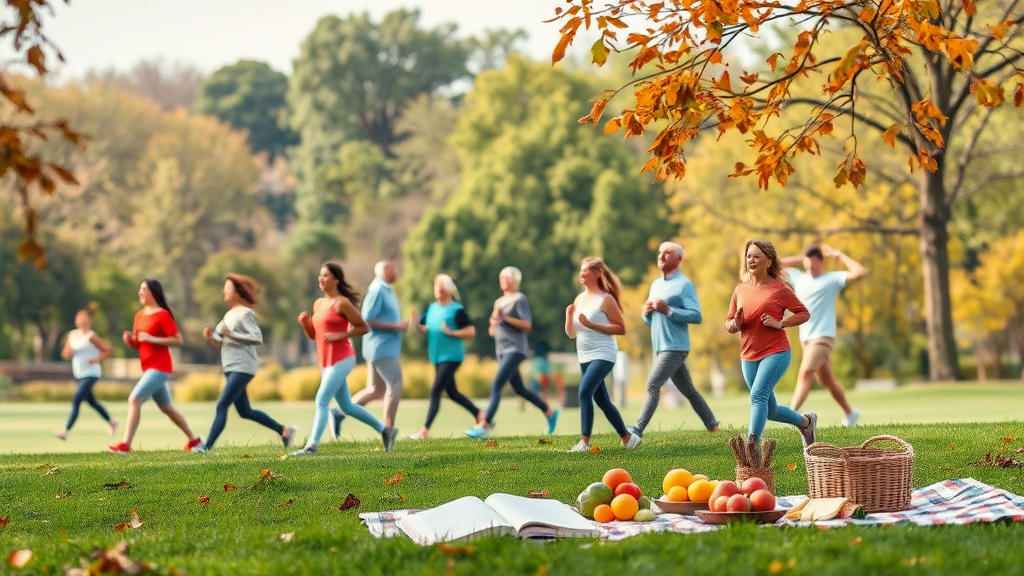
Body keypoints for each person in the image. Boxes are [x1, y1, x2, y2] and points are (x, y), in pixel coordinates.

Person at [725, 239, 817, 461]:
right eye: (749, 256)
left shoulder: (780, 289)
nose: (751, 260)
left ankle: (752, 446)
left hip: (776, 352)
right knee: (771, 410)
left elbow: (804, 313)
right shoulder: (740, 290)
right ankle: (806, 423)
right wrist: (736, 323)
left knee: (758, 395)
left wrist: (781, 323)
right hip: (748, 356)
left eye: (756, 256)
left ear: (768, 261)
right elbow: (728, 324)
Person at [291, 263, 397, 455]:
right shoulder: (318, 304)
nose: (320, 279)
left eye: (325, 275)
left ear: (336, 280)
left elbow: (364, 327)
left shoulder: (342, 303)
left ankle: (312, 446)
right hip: (326, 362)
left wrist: (341, 335)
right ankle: (385, 430)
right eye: (320, 275)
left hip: (343, 358)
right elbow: (314, 335)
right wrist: (306, 324)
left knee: (321, 400)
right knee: (347, 406)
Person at [193, 274, 296, 453]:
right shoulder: (228, 315)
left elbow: (257, 338)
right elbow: (222, 341)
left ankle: (206, 447)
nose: (224, 291)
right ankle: (284, 431)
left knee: (222, 405)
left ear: (238, 292)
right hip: (230, 367)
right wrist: (211, 337)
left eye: (228, 288)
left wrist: (232, 334)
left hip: (243, 366)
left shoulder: (246, 313)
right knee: (245, 411)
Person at [628, 242, 719, 441]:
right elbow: (653, 321)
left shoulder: (684, 285)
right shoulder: (655, 285)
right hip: (661, 347)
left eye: (667, 253)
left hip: (675, 347)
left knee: (653, 384)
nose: (661, 256)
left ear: (679, 259)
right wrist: (646, 314)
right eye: (660, 252)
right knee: (688, 390)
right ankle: (713, 426)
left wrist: (669, 310)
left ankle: (637, 429)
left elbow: (696, 315)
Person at [109, 279, 201, 453]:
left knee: (134, 399)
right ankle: (194, 440)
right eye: (139, 289)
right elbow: (138, 342)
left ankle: (125, 444)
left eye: (144, 289)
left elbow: (177, 340)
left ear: (153, 292)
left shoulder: (163, 315)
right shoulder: (139, 316)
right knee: (167, 408)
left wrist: (152, 338)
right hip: (147, 369)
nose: (140, 292)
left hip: (160, 368)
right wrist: (130, 341)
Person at [467, 267, 559, 439]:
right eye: (501, 277)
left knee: (497, 384)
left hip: (515, 349)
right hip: (501, 350)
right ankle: (549, 411)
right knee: (520, 389)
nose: (502, 279)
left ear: (515, 280)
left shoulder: (519, 299)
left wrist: (505, 317)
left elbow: (527, 325)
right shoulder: (498, 301)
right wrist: (494, 321)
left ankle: (484, 424)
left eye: (506, 277)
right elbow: (492, 331)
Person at [780, 245, 868, 426]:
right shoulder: (799, 278)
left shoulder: (832, 279)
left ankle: (791, 415)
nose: (809, 269)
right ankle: (850, 413)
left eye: (813, 265)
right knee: (827, 380)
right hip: (806, 339)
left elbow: (860, 272)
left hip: (823, 337)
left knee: (805, 372)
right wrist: (802, 258)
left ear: (821, 262)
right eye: (807, 266)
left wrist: (840, 255)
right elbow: (776, 265)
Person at [565, 257, 641, 452]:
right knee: (602, 400)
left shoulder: (606, 299)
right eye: (580, 270)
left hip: (603, 353)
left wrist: (592, 325)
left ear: (597, 274)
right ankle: (627, 438)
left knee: (584, 391)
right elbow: (572, 334)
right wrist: (568, 317)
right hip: (584, 355)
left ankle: (584, 442)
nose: (581, 273)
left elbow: (621, 328)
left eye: (585, 270)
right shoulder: (579, 299)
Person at [334, 259, 406, 438]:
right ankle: (388, 429)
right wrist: (395, 326)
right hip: (382, 348)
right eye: (394, 268)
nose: (397, 271)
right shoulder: (378, 290)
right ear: (384, 271)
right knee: (395, 384)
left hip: (382, 348)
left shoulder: (386, 290)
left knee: (376, 389)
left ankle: (339, 413)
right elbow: (366, 319)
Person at [408, 274, 484, 439]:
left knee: (435, 390)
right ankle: (479, 414)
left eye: (441, 287)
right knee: (452, 392)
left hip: (452, 357)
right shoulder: (431, 308)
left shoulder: (456, 310)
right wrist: (415, 324)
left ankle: (425, 430)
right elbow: (424, 329)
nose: (437, 290)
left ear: (449, 290)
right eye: (436, 286)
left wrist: (452, 332)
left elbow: (471, 331)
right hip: (436, 356)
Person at [53, 309, 117, 440]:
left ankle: (66, 430)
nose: (79, 320)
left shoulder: (91, 336)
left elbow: (107, 350)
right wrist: (68, 350)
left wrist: (97, 359)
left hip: (91, 373)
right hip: (79, 373)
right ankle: (112, 421)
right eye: (77, 317)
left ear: (88, 320)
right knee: (92, 402)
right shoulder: (72, 335)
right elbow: (66, 355)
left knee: (77, 399)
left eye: (82, 317)